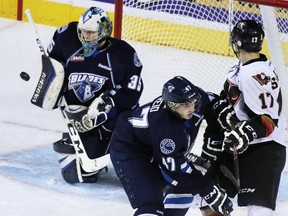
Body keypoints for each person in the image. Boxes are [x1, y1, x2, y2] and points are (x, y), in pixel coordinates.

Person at [44, 6, 143, 183]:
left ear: (104, 31)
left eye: (91, 33)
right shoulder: (67, 39)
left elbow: (132, 92)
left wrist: (108, 107)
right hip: (78, 116)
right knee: (77, 175)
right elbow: (52, 66)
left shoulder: (123, 54)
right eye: (83, 32)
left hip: (110, 120)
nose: (85, 37)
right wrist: (53, 88)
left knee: (131, 167)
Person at [110, 76, 233, 216]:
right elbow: (177, 173)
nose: (192, 108)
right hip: (130, 149)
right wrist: (208, 190)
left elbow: (213, 106)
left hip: (152, 143)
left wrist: (214, 138)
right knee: (152, 205)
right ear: (172, 106)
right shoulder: (167, 131)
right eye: (186, 105)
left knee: (187, 188)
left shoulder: (197, 99)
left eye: (193, 102)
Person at [212, 19, 286, 216]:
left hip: (266, 149)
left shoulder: (256, 72)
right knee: (213, 197)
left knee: (258, 209)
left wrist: (243, 133)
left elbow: (269, 121)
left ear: (236, 42)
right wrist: (222, 109)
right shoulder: (241, 67)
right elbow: (227, 96)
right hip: (245, 146)